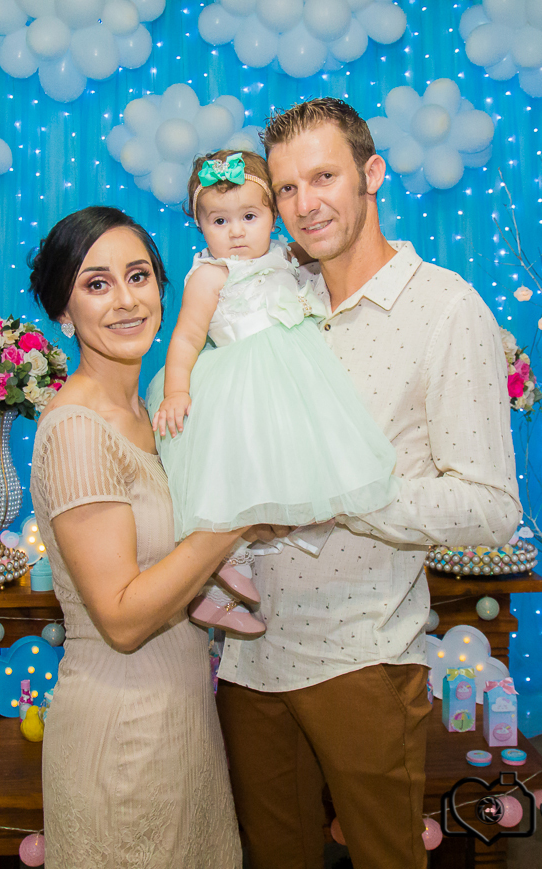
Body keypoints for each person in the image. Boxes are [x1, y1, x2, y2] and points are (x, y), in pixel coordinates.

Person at [214, 98, 521, 868]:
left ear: (371, 173)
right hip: (249, 655)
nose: (304, 204)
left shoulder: (446, 309)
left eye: (323, 177)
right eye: (286, 188)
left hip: (363, 657)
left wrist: (339, 494)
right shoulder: (272, 299)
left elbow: (492, 508)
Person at [28, 206, 243, 868]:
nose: (125, 300)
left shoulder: (150, 407)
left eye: (139, 275)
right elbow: (121, 619)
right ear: (63, 312)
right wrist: (236, 521)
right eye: (96, 284)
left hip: (182, 721)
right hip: (123, 741)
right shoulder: (77, 430)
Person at [147, 148, 399, 638]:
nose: (236, 232)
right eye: (220, 221)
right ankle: (224, 575)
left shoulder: (285, 255)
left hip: (294, 379)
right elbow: (186, 337)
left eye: (249, 216)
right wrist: (176, 389)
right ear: (200, 226)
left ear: (273, 217)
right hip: (242, 384)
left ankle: (221, 590)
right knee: (239, 485)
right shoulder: (211, 275)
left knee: (291, 471)